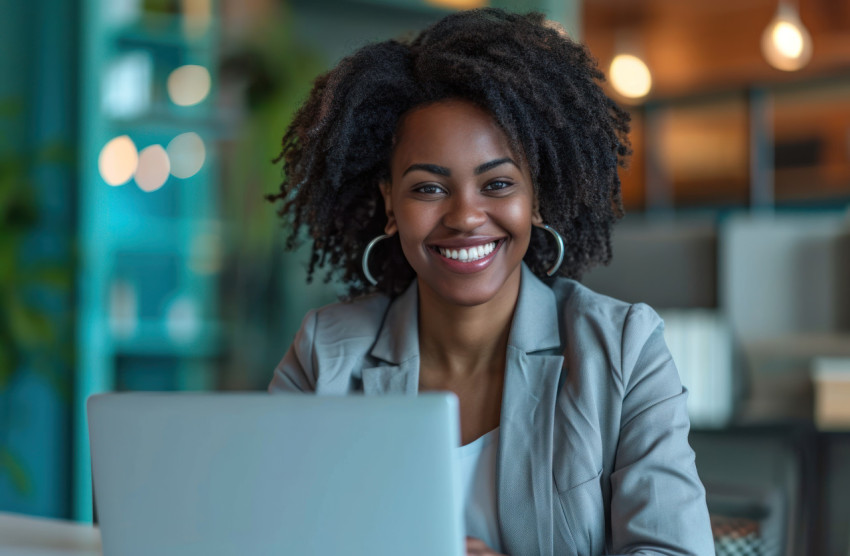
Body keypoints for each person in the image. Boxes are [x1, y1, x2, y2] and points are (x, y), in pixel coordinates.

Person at [266, 8, 714, 556]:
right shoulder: (326, 356)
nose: (465, 216)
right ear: (390, 203)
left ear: (537, 198)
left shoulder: (623, 351)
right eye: (429, 189)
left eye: (497, 184)